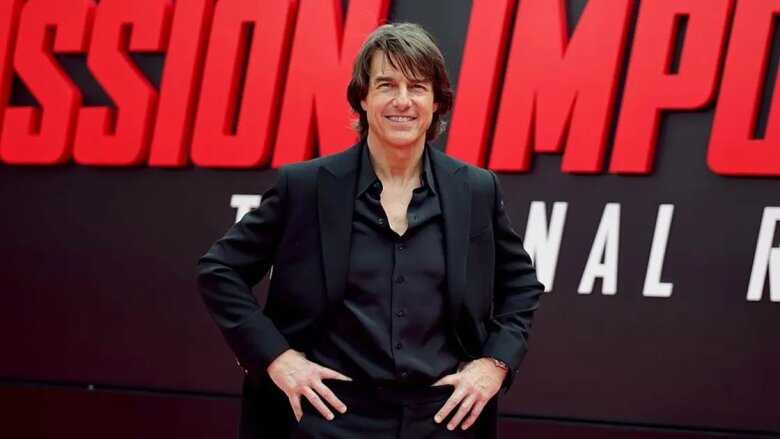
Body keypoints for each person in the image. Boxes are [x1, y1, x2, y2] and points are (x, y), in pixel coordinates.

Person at [197, 22, 543, 438]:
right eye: (386, 85)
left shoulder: (475, 190)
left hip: (441, 422)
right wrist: (275, 357)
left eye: (417, 87)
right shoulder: (307, 187)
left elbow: (521, 284)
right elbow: (220, 270)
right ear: (362, 97)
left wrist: (495, 363)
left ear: (436, 102)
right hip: (326, 420)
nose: (402, 100)